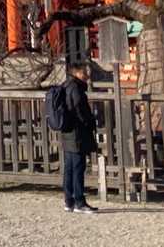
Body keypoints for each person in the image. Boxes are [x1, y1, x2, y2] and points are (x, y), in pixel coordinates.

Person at [57, 63, 99, 214]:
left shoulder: (65, 85)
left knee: (69, 168)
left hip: (67, 132)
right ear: (77, 73)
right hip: (77, 133)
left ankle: (69, 201)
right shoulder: (75, 88)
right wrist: (89, 122)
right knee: (78, 168)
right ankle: (79, 202)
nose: (87, 75)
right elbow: (79, 110)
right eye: (84, 72)